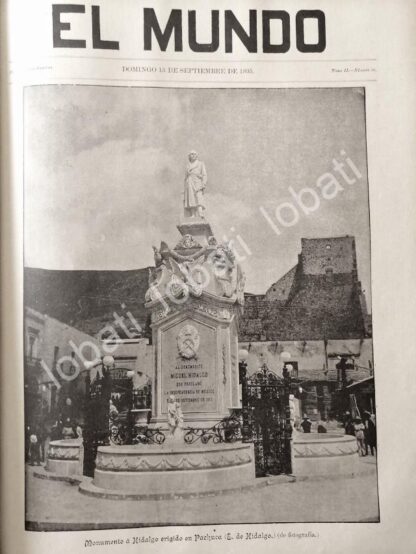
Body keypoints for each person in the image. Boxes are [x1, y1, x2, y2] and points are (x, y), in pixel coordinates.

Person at [184, 150, 207, 219]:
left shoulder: (200, 164)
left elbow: (204, 175)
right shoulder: (187, 165)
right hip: (189, 182)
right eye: (191, 154)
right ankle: (193, 214)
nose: (193, 155)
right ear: (189, 156)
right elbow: (185, 177)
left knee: (199, 197)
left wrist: (203, 184)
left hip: (197, 182)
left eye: (194, 154)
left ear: (196, 156)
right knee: (191, 198)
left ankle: (200, 213)